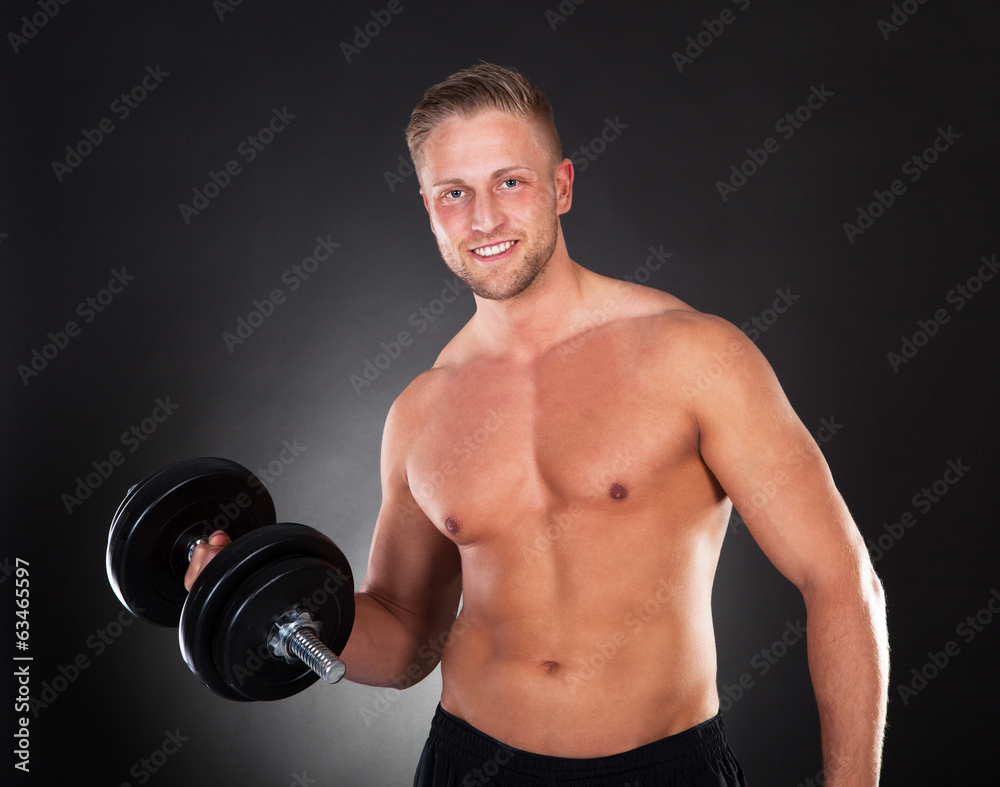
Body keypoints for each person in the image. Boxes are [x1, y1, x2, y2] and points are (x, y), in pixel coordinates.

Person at [187, 64, 889, 786]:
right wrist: (252, 591)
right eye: (455, 193)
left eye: (510, 182)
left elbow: (838, 577)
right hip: (467, 762)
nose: (484, 218)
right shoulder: (422, 412)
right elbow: (403, 640)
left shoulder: (692, 355)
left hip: (660, 770)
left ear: (561, 186)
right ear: (429, 211)